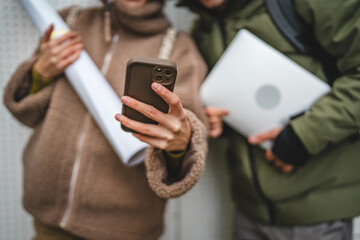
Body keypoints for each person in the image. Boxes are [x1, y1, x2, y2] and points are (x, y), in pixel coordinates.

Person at [3, 0, 209, 239]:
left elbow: (189, 140)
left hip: (126, 229)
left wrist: (179, 145)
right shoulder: (69, 22)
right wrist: (40, 73)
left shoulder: (179, 48)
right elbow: (27, 114)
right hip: (48, 221)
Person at [178, 0, 360, 239]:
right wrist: (216, 122)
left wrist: (302, 137)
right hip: (248, 210)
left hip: (318, 213)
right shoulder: (204, 28)